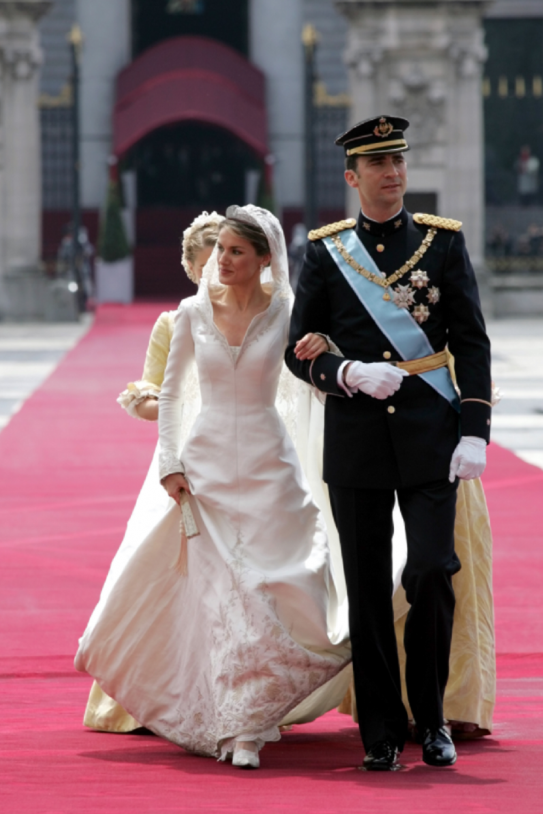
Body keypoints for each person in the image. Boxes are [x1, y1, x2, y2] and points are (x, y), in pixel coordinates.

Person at [75, 205, 352, 768]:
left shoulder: (288, 312)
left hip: (269, 463)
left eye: (234, 252)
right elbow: (172, 394)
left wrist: (333, 355)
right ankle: (239, 728)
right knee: (223, 597)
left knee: (282, 584)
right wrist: (170, 464)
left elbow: (313, 382)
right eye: (219, 250)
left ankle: (255, 710)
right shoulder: (190, 312)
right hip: (205, 468)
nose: (220, 261)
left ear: (264, 259)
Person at [286, 116, 492, 769]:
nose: (391, 172)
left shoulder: (441, 244)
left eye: (397, 160)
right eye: (376, 164)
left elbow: (471, 341)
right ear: (353, 177)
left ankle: (432, 721)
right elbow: (299, 350)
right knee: (367, 585)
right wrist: (342, 372)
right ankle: (378, 730)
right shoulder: (324, 251)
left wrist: (474, 429)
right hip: (356, 437)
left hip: (431, 433)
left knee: (430, 570)